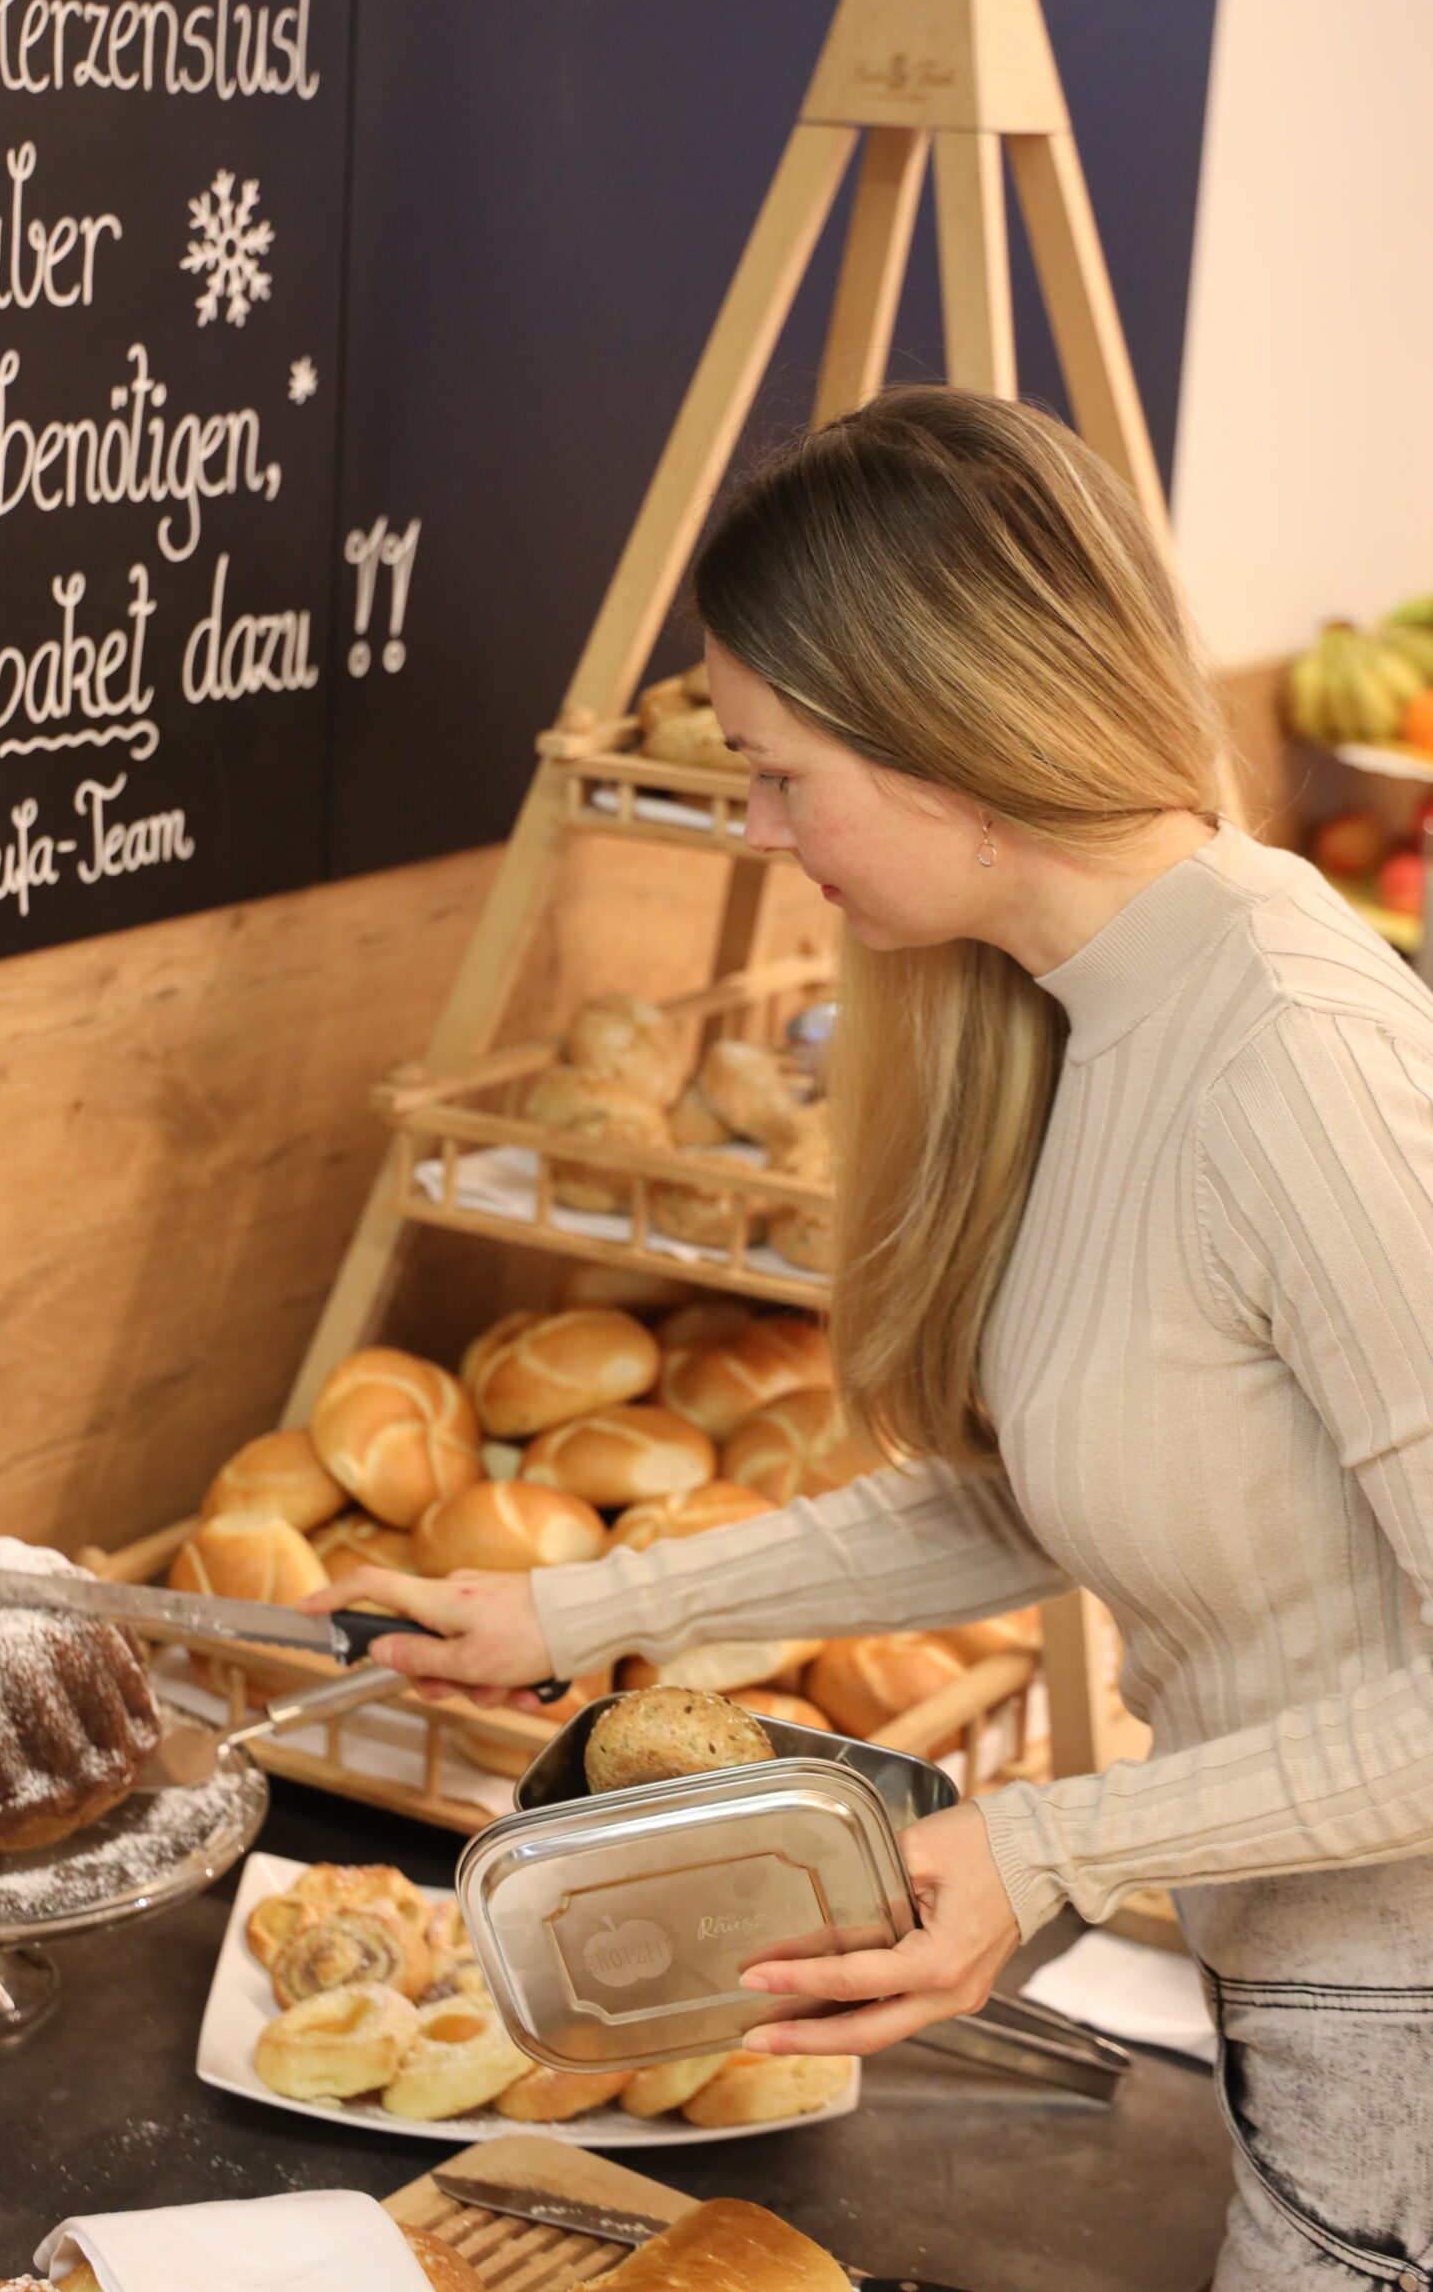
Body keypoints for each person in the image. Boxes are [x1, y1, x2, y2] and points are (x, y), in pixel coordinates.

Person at [305, 387, 1433, 2292]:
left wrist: (1053, 1846)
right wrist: (564, 1613)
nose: (759, 830)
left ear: (950, 731)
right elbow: (1041, 1486)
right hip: (1313, 1986)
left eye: (780, 772)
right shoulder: (1099, 1010)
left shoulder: (1299, 1062)